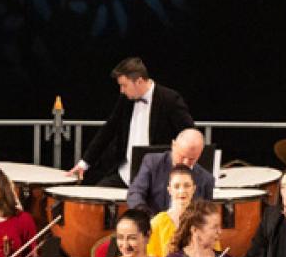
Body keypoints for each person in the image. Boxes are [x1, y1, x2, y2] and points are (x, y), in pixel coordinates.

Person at [67, 57, 194, 187]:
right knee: (96, 195)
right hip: (125, 174)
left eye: (124, 85)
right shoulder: (125, 100)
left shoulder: (170, 100)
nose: (121, 90)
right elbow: (108, 130)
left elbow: (191, 136)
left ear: (139, 81)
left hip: (157, 178)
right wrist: (84, 163)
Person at [126, 128, 213, 214]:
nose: (185, 163)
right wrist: (145, 216)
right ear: (173, 145)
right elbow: (135, 193)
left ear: (200, 153)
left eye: (191, 159)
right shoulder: (153, 163)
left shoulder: (206, 179)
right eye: (182, 156)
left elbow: (206, 214)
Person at [147, 164, 197, 257]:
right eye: (176, 186)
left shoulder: (204, 222)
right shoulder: (157, 223)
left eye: (187, 186)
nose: (182, 191)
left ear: (193, 189)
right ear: (169, 190)